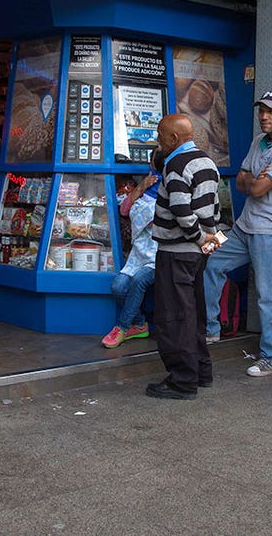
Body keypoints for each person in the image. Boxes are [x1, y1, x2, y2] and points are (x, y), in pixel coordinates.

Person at [203, 90, 272, 377]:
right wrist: (252, 180)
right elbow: (243, 181)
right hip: (245, 226)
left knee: (269, 295)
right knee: (211, 261)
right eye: (262, 110)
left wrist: (253, 181)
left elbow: (256, 188)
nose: (264, 116)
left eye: (271, 111)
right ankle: (211, 329)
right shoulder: (260, 141)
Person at [146, 114, 220, 399]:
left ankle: (182, 380)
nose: (158, 140)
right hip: (198, 254)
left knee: (175, 317)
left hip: (178, 251)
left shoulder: (175, 165)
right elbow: (212, 209)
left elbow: (180, 209)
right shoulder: (207, 162)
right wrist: (207, 240)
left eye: (160, 135)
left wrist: (199, 237)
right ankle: (201, 371)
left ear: (174, 138)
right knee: (194, 313)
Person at [101, 152, 164, 349]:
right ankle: (139, 324)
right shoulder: (147, 184)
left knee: (139, 280)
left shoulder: (171, 186)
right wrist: (142, 187)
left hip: (159, 254)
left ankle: (122, 327)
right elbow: (124, 210)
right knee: (118, 287)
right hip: (138, 254)